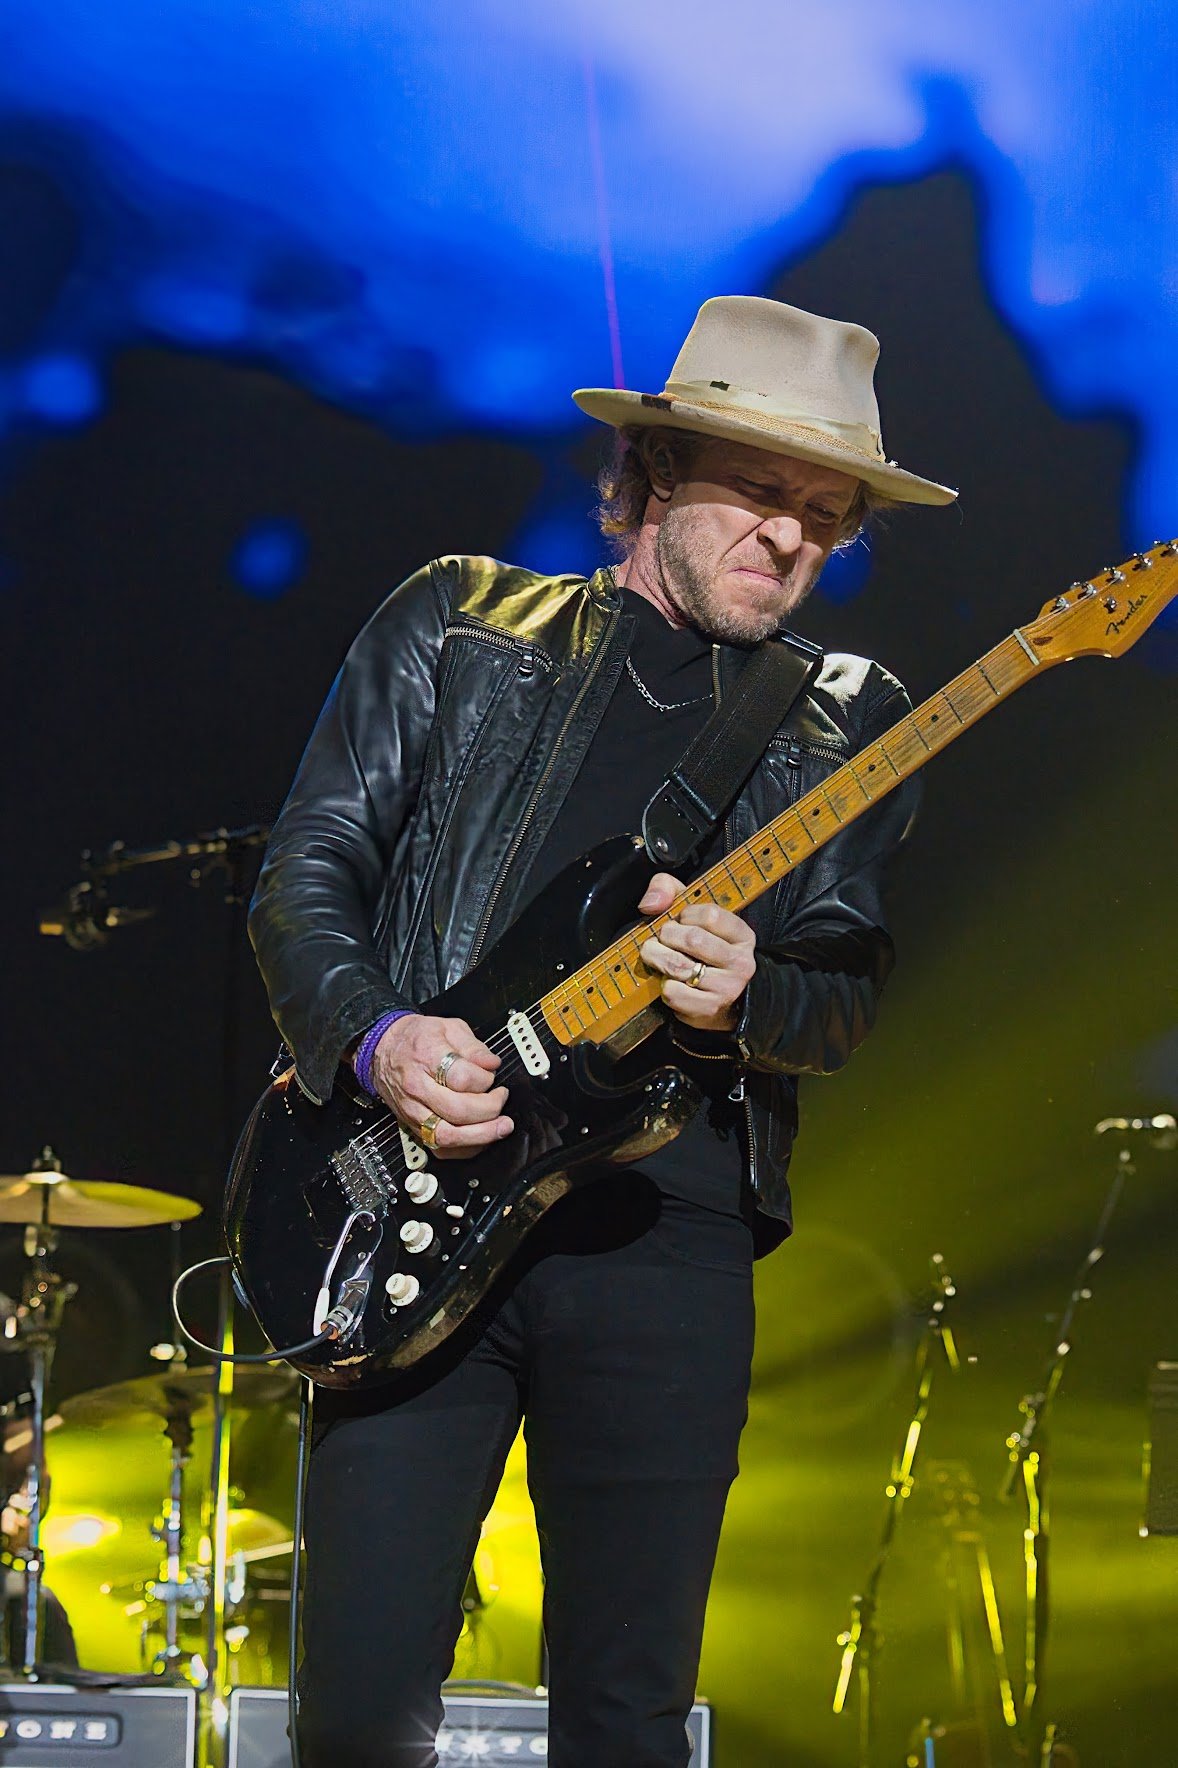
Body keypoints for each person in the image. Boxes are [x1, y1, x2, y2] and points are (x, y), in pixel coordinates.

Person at [248, 295, 956, 1767]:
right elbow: (307, 869)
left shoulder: (849, 718)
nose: (792, 540)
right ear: (646, 477)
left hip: (663, 1233)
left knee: (628, 1715)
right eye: (762, 493)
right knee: (359, 1708)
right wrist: (378, 1043)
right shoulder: (457, 619)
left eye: (827, 517)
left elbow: (839, 998)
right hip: (410, 1189)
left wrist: (741, 993)